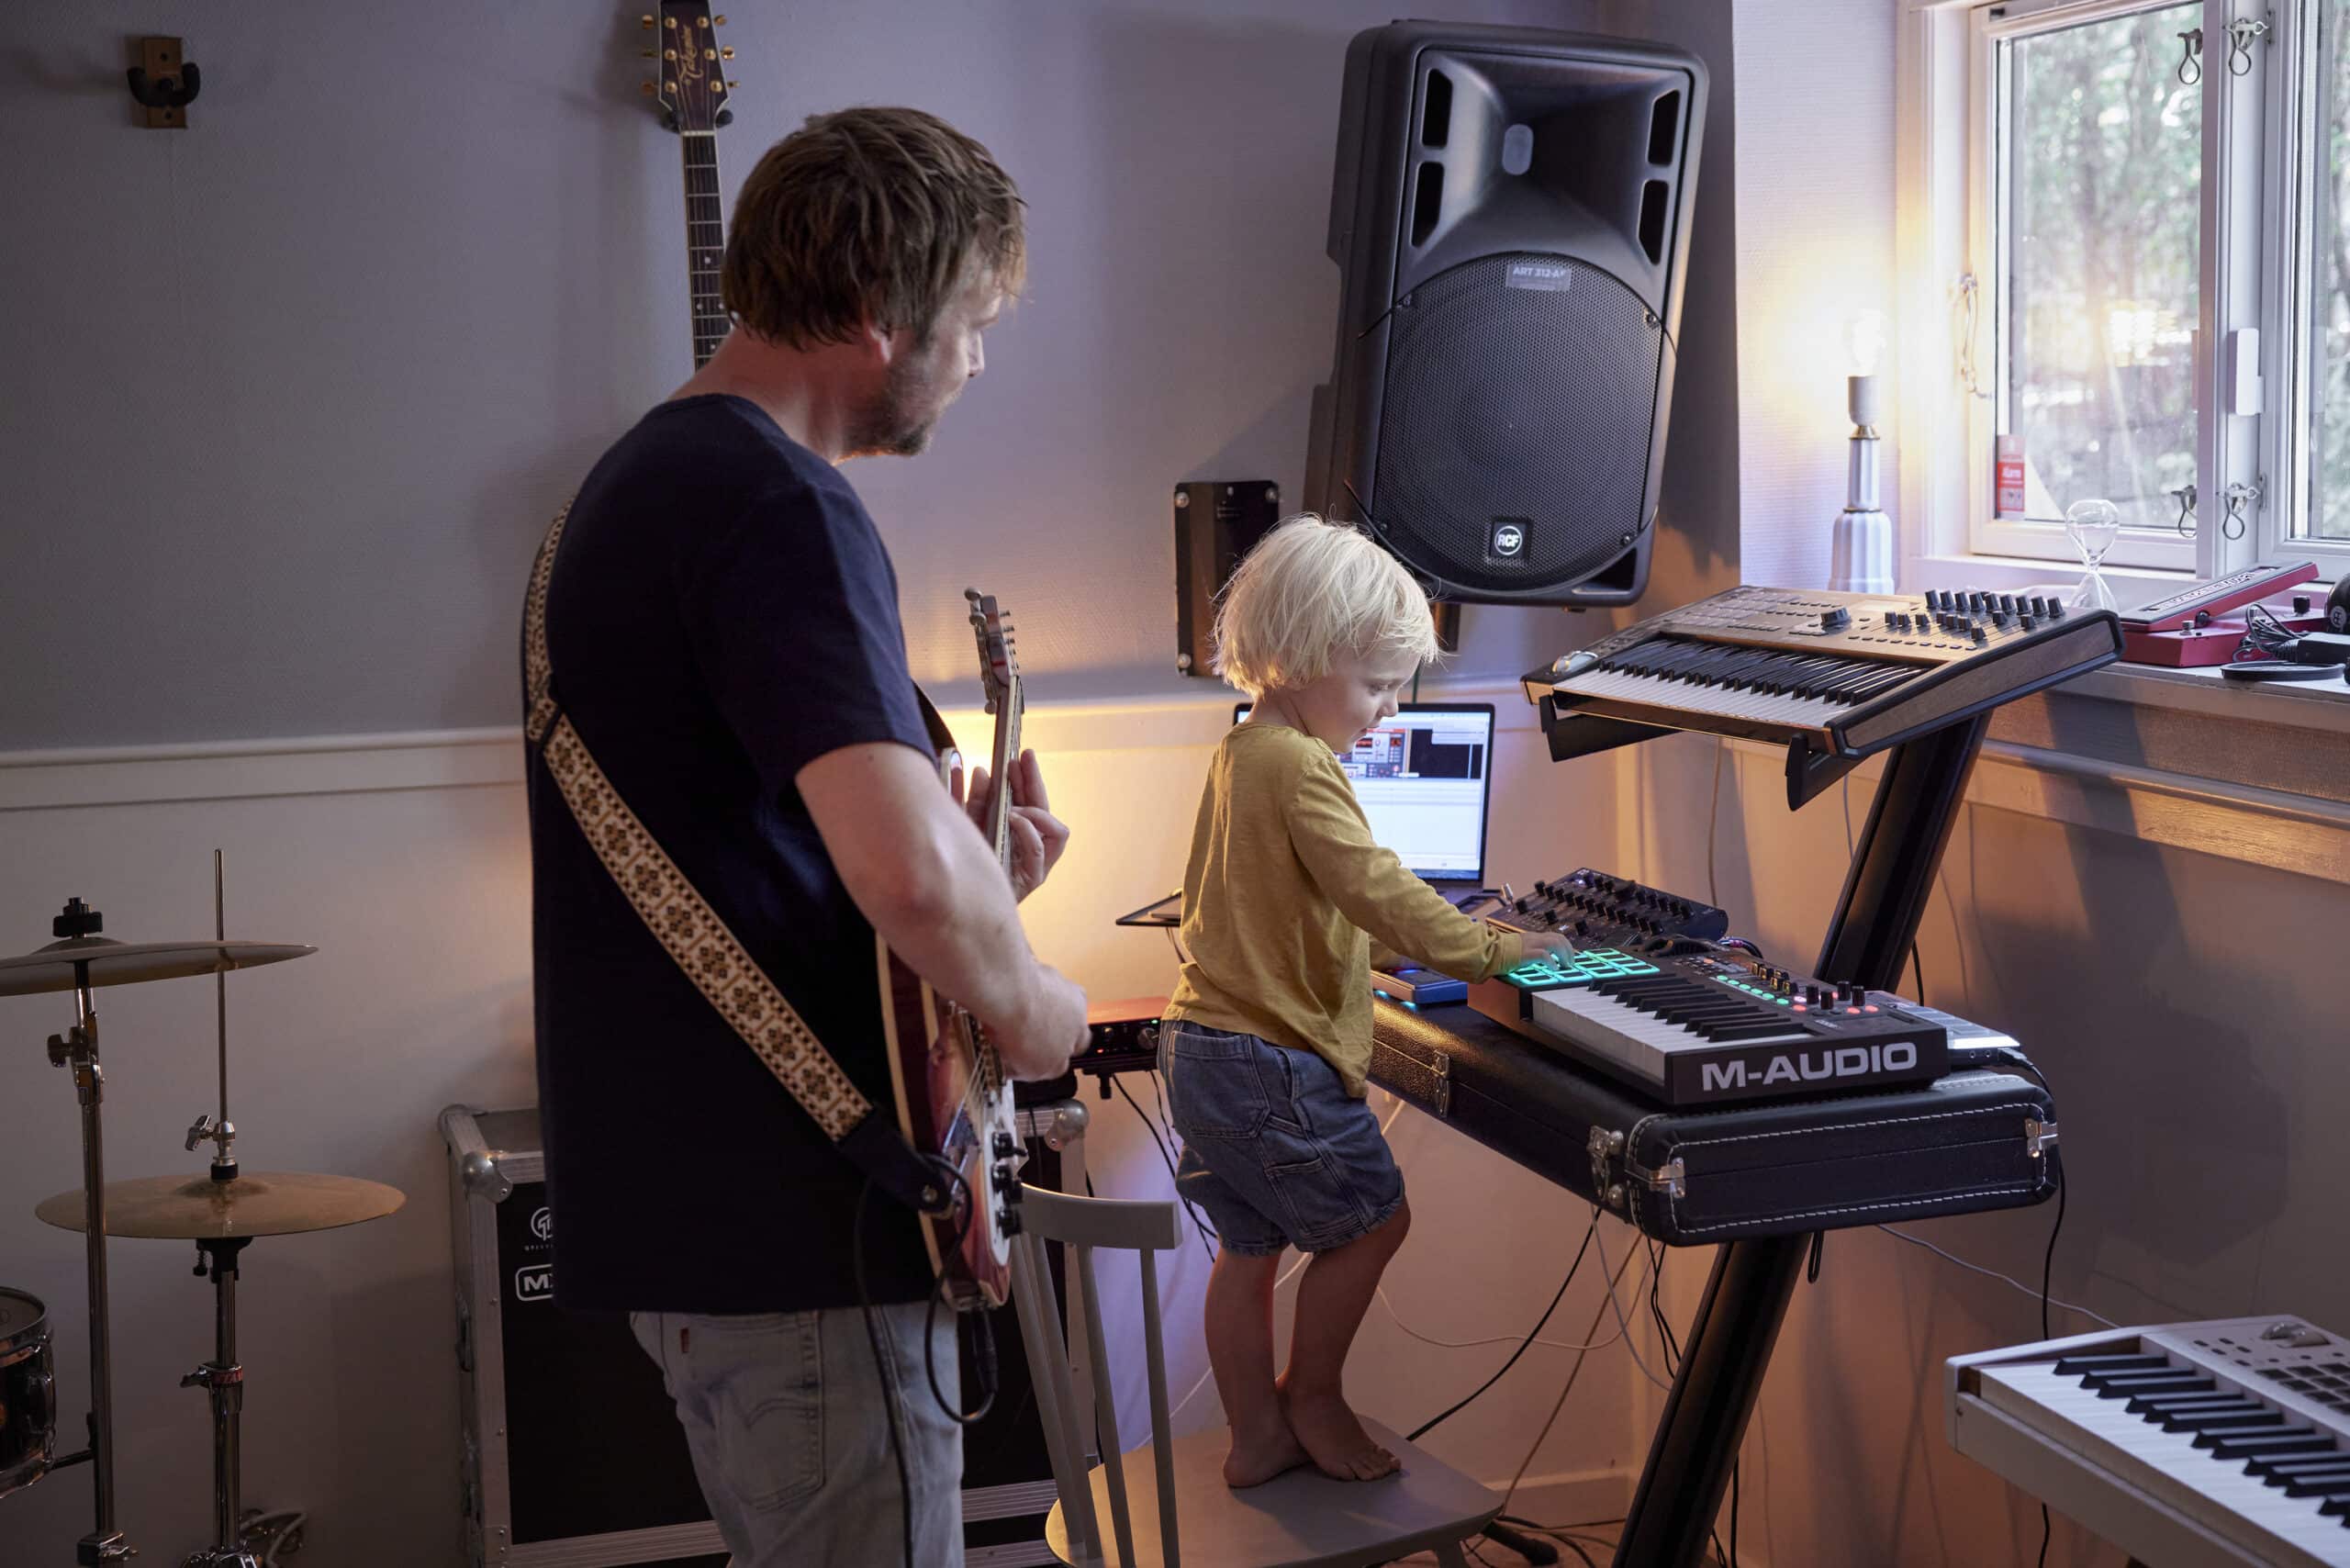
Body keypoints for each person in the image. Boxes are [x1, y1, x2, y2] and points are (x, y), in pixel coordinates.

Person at [522, 106, 1089, 1568]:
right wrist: (1033, 1009)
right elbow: (900, 869)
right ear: (877, 315)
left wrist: (986, 888)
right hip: (803, 1240)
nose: (977, 360)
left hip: (714, 1225)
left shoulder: (642, 485)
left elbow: (787, 860)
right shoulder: (778, 501)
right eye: (971, 321)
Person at [1160, 516, 1570, 1488]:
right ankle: (1313, 1395)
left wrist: (1388, 949)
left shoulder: (1242, 750)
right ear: (1305, 656)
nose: (1387, 710)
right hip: (1267, 1057)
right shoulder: (1301, 765)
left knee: (1249, 1249)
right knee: (1375, 1223)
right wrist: (1492, 950)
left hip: (1200, 1046)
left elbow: (1307, 901)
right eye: (1377, 683)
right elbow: (1377, 885)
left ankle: (1255, 1435)